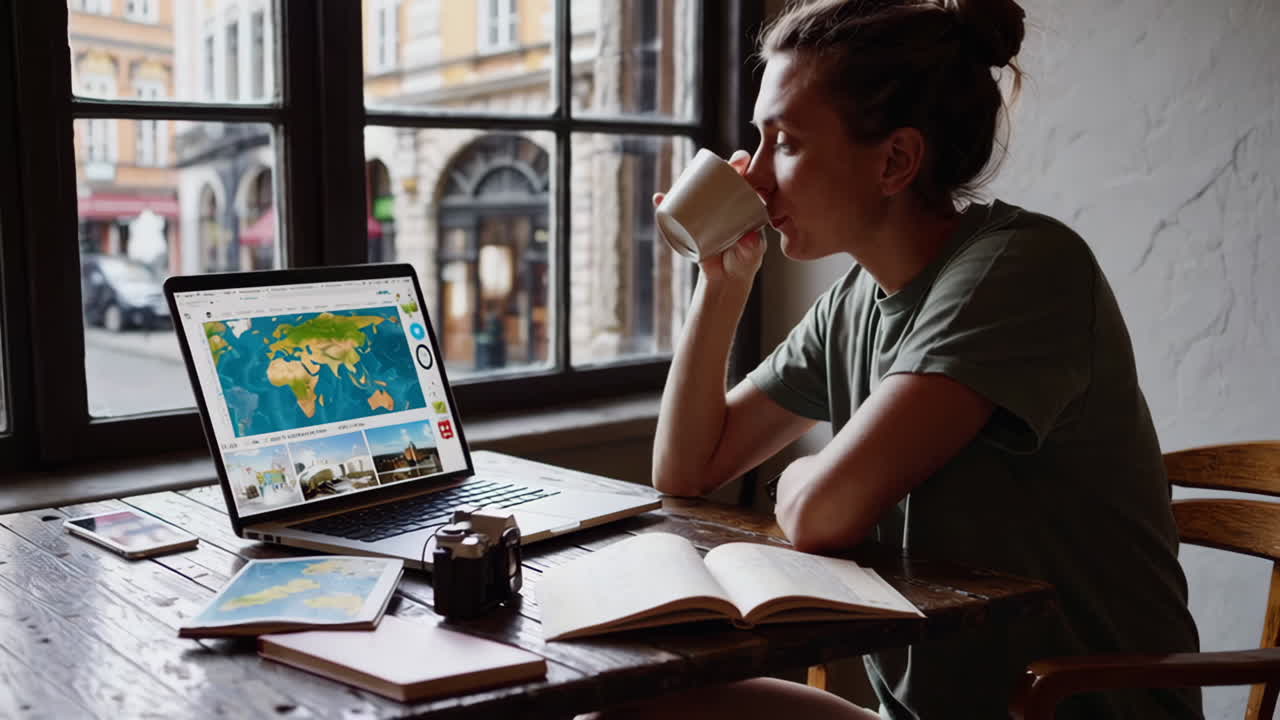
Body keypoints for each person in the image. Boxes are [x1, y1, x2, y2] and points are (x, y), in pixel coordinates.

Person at [603, 0, 1204, 718]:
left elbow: (820, 514)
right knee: (625, 707)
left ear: (895, 161)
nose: (754, 178)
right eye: (757, 142)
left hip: (1063, 711)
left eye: (785, 143)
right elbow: (685, 472)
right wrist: (722, 284)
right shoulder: (853, 302)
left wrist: (797, 478)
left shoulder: (1023, 270)